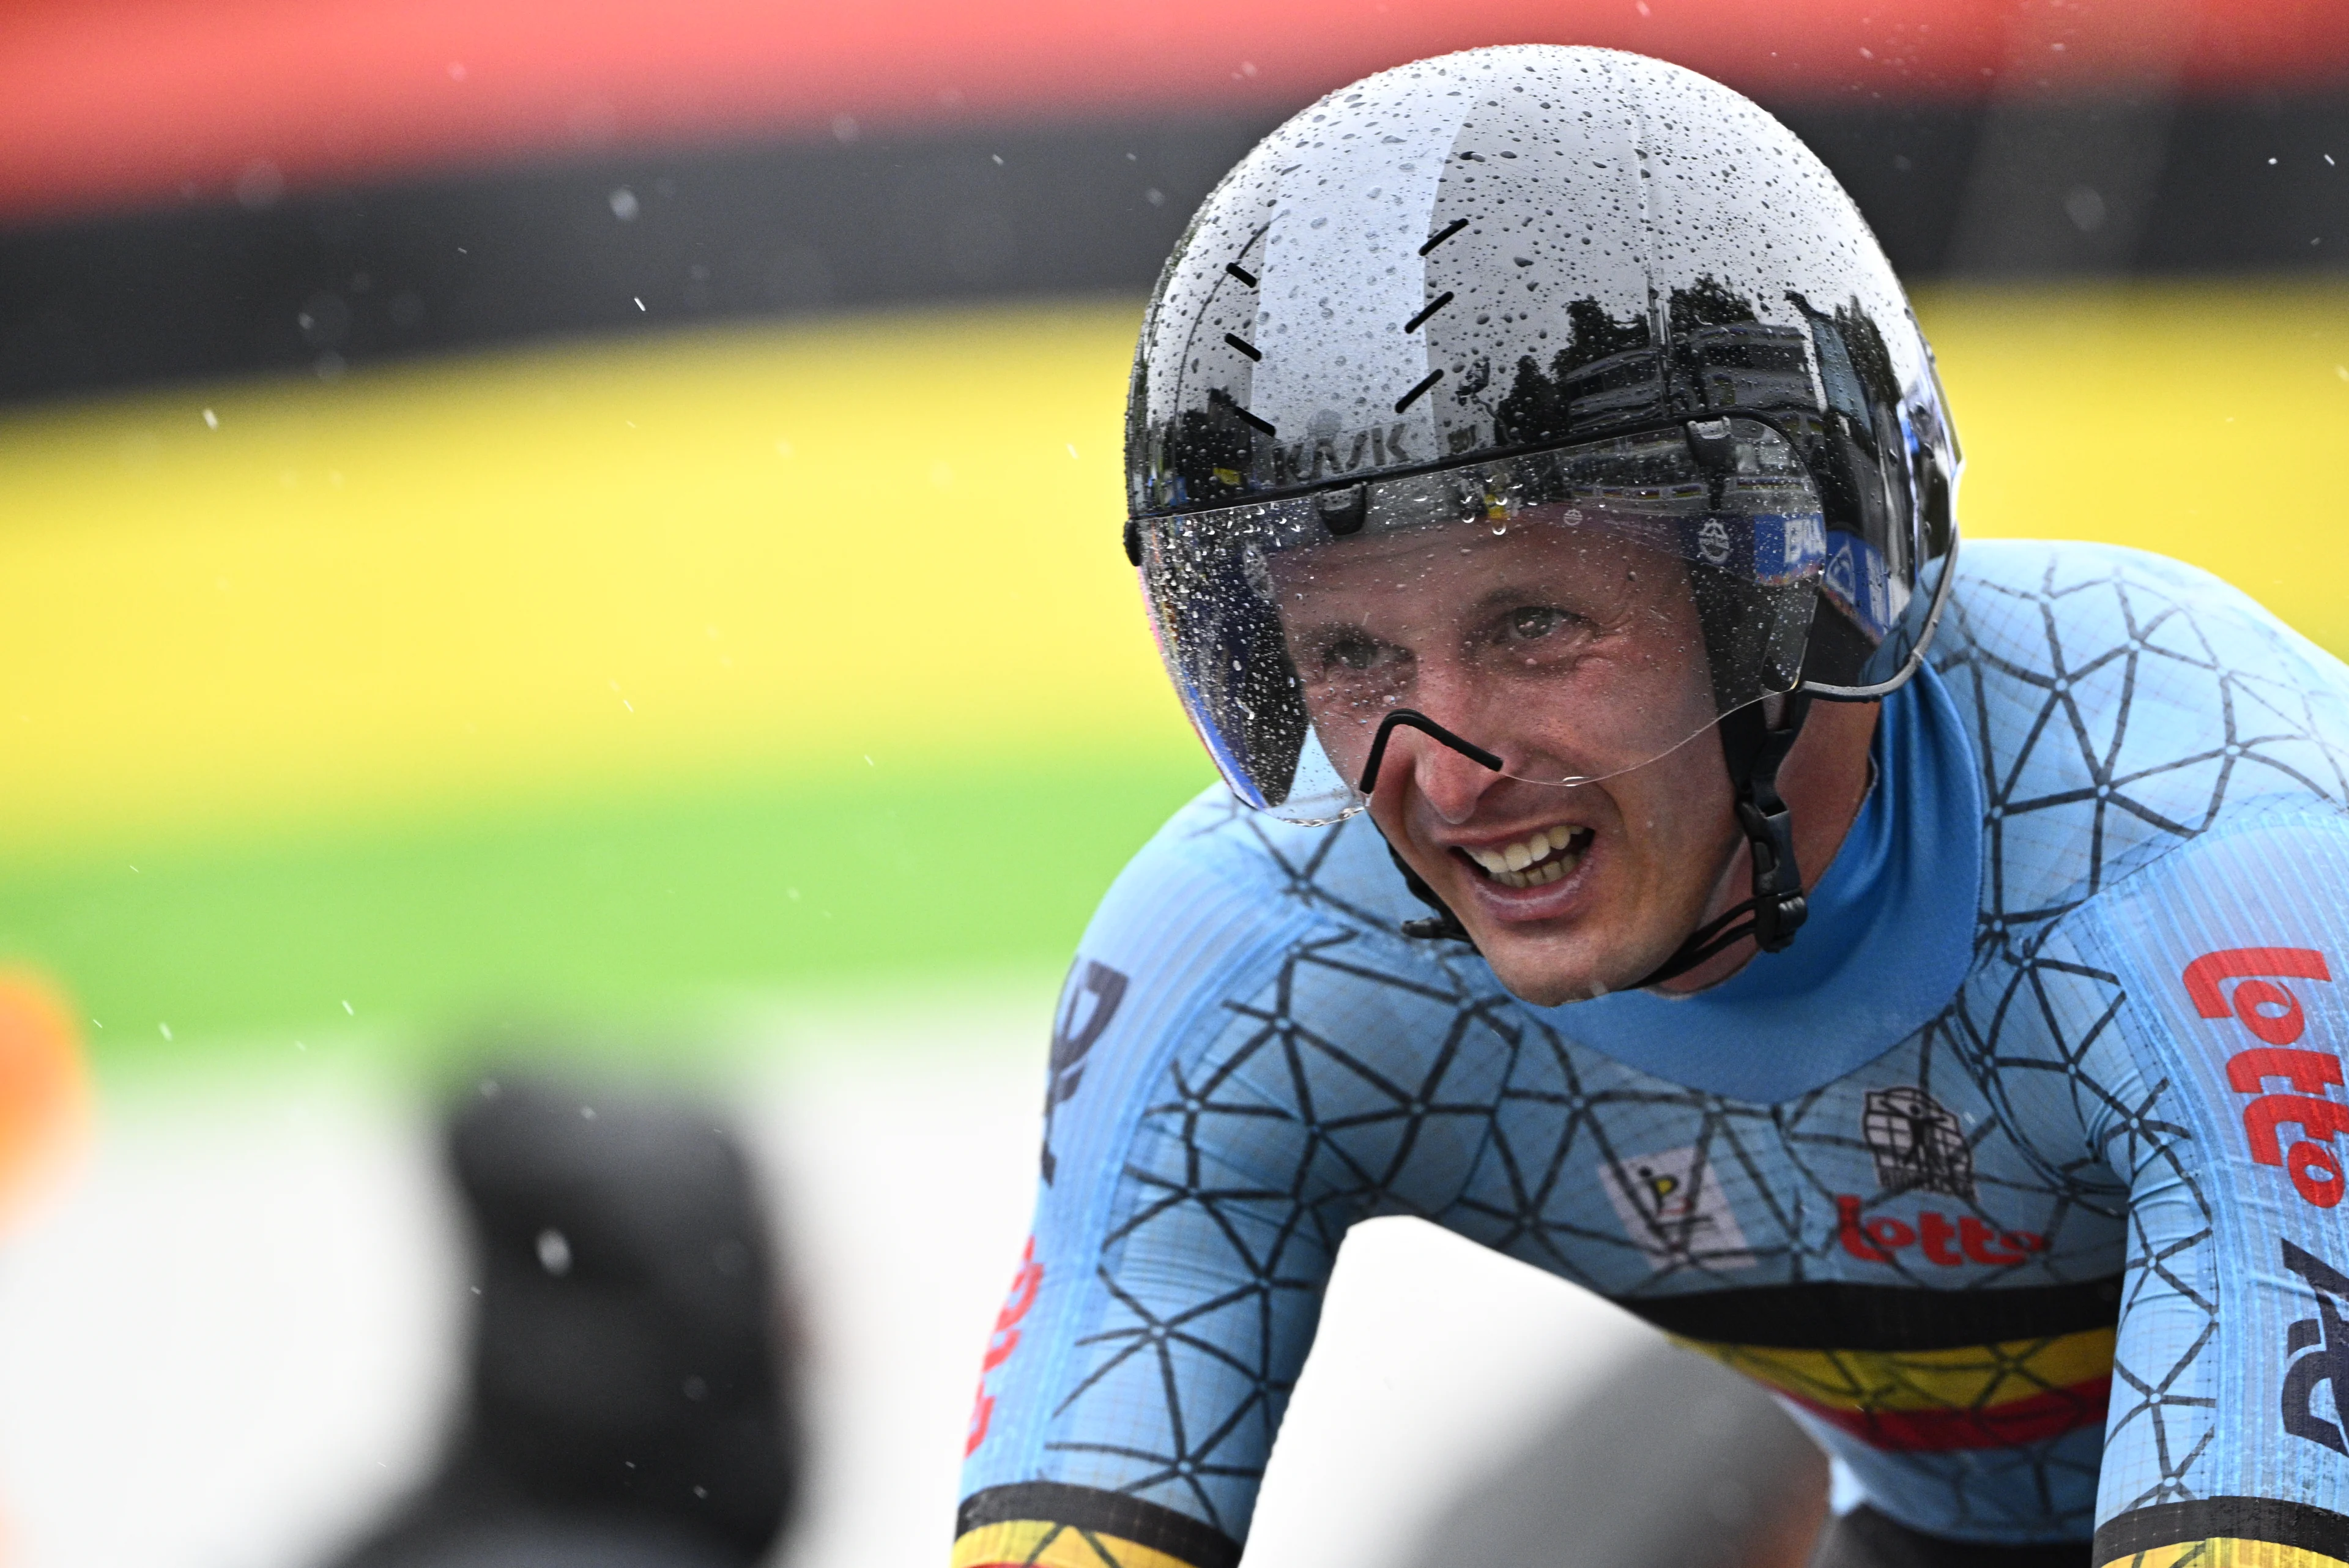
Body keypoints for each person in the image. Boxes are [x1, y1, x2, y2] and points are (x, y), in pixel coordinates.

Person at [950, 43, 2349, 1568]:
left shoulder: (2206, 861)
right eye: (1350, 653)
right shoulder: (1248, 954)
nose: (1447, 766)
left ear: (1797, 587)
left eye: (1534, 625)